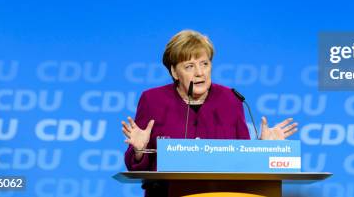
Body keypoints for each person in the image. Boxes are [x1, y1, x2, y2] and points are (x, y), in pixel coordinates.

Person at [123, 29, 298, 173]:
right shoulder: (153, 100)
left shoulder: (230, 100)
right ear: (174, 72)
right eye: (189, 66)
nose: (200, 72)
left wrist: (264, 149)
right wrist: (139, 150)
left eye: (204, 64)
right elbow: (134, 166)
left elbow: (243, 161)